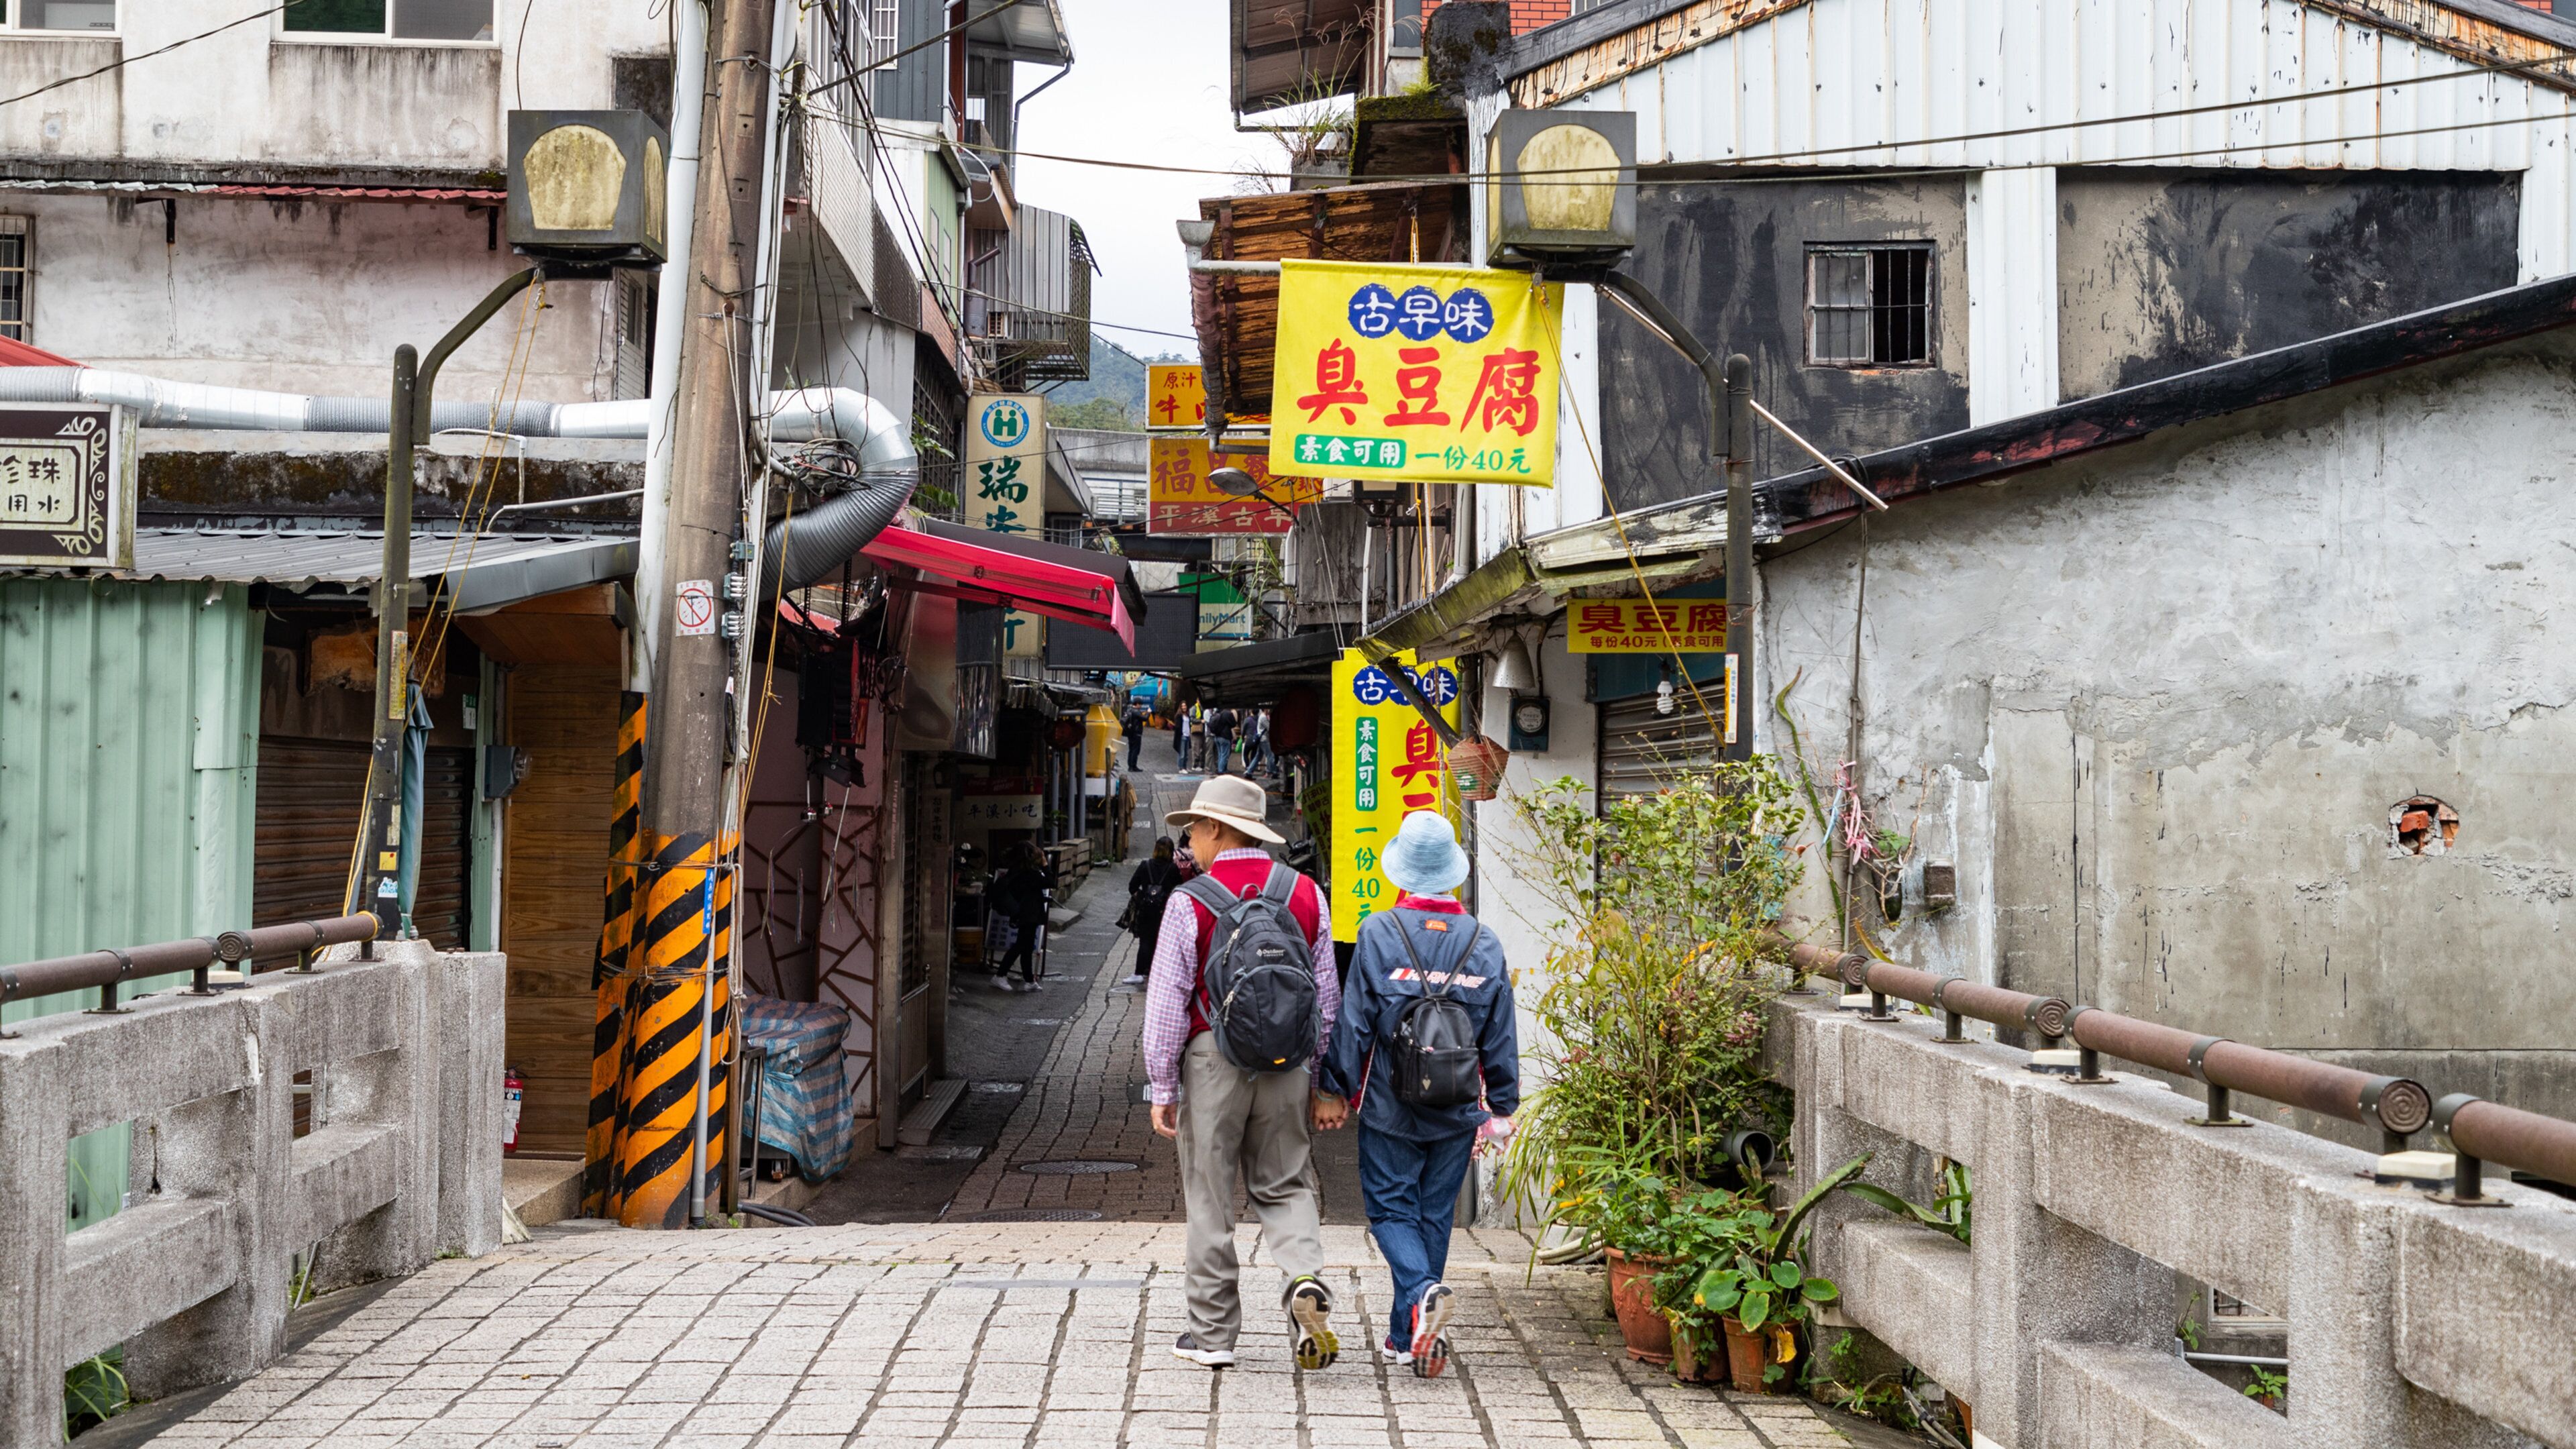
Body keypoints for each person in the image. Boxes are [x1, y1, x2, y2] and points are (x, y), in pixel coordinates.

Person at [1142, 773, 1343, 1372]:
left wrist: (1162, 1084)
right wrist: (1320, 1074)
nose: (1190, 845)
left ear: (1216, 829)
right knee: (1285, 1184)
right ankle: (1304, 1280)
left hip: (1214, 1060)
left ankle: (1212, 1337)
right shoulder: (1306, 893)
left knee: (1210, 1196)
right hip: (1288, 1063)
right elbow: (1326, 996)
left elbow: (1167, 999)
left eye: (1195, 831)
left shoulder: (1191, 900)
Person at [1319, 810, 1518, 1379]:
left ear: (1402, 874)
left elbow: (1355, 1022)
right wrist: (1501, 1104)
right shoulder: (1484, 941)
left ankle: (1424, 1291)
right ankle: (1407, 1337)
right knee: (1432, 1217)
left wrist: (1333, 1086)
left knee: (1388, 1211)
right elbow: (1500, 1031)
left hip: (1390, 1103)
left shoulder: (1380, 931)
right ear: (1453, 875)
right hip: (1457, 1108)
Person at [987, 844, 1051, 994]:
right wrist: (1045, 865)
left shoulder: (1018, 872)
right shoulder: (1031, 874)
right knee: (1022, 946)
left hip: (1024, 913)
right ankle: (1000, 975)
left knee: (1026, 947)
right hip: (1029, 913)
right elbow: (1050, 882)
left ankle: (1029, 981)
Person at [1122, 836, 1183, 987]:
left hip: (1146, 909)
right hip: (1165, 910)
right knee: (1161, 941)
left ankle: (1139, 972)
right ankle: (1158, 972)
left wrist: (1142, 897)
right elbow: (1180, 887)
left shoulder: (1145, 865)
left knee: (1145, 941)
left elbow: (1132, 886)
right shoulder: (1173, 869)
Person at [1209, 705, 1239, 775]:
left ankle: (1221, 769)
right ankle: (1221, 770)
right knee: (1225, 755)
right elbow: (1234, 724)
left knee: (1220, 754)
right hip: (1225, 737)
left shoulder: (1218, 714)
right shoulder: (1228, 714)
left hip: (1217, 736)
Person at [1122, 698, 1148, 772]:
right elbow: (1145, 718)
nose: (1141, 706)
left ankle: (1130, 766)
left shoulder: (1129, 710)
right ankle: (1133, 766)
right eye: (1140, 704)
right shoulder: (1136, 712)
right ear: (1137, 704)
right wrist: (1148, 713)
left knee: (1131, 750)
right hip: (1136, 734)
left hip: (1130, 733)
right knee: (1135, 750)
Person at [1173, 706, 1193, 772]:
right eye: (1183, 706)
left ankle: (1185, 767)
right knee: (1182, 753)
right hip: (1182, 736)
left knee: (1186, 754)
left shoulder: (1187, 715)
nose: (1184, 707)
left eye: (1185, 706)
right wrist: (1181, 733)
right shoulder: (1179, 716)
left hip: (1187, 735)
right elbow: (1177, 727)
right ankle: (1181, 768)